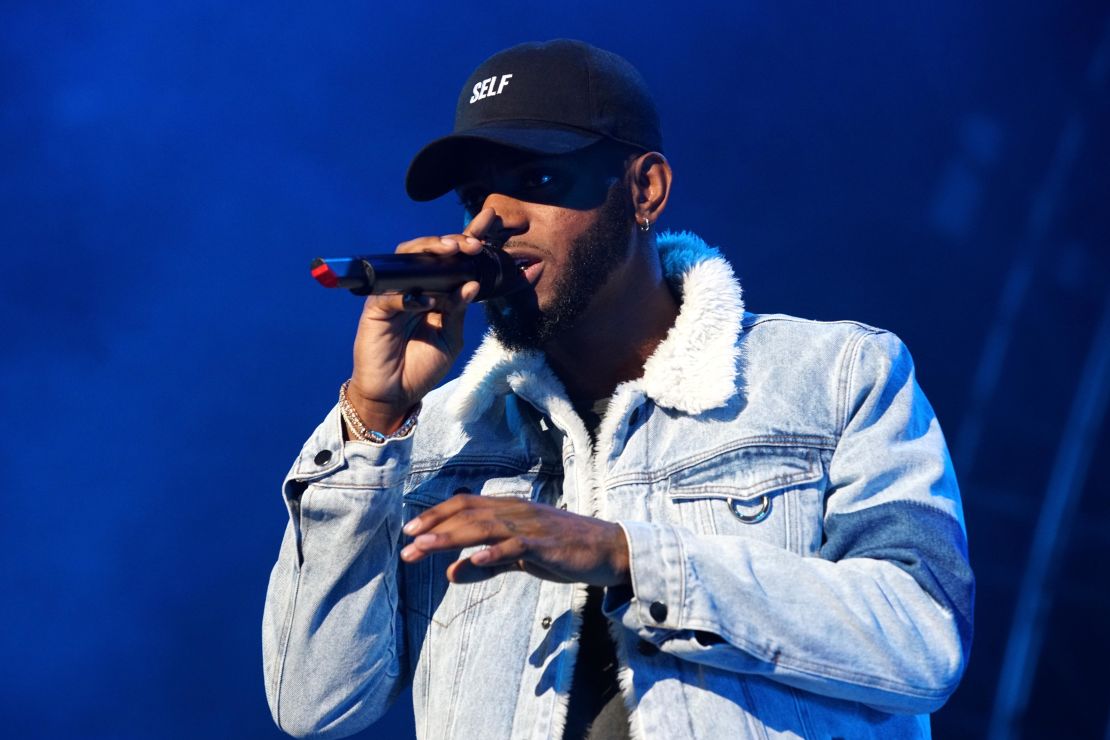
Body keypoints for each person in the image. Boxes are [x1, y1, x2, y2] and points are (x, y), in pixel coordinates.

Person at [263, 39, 973, 739]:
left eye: (538, 181)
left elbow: (924, 636)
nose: (489, 222)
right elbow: (315, 701)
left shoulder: (834, 376)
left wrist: (629, 556)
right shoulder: (440, 438)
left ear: (644, 190)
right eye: (475, 195)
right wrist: (375, 418)